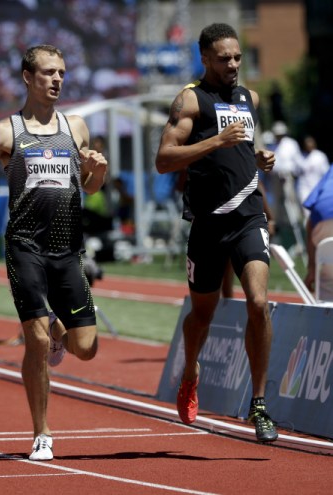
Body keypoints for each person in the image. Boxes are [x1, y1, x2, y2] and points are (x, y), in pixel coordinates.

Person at [0, 44, 108, 461]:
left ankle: (60, 332)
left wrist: (98, 173)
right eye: (47, 73)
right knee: (35, 340)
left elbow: (88, 187)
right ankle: (42, 433)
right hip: (25, 248)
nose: (57, 80)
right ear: (27, 77)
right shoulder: (5, 133)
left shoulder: (75, 127)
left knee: (87, 348)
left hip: (68, 250)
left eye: (61, 72)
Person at [154, 23, 278, 443]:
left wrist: (256, 155)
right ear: (204, 58)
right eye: (224, 58)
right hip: (208, 224)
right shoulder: (191, 100)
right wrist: (215, 143)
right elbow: (165, 159)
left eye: (238, 57)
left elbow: (241, 146)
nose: (233, 65)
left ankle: (259, 404)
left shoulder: (250, 98)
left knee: (259, 303)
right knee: (202, 316)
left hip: (248, 217)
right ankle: (190, 373)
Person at [303, 165, 333, 301]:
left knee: (327, 279)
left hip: (322, 224)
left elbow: (310, 221)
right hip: (322, 218)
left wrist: (311, 269)